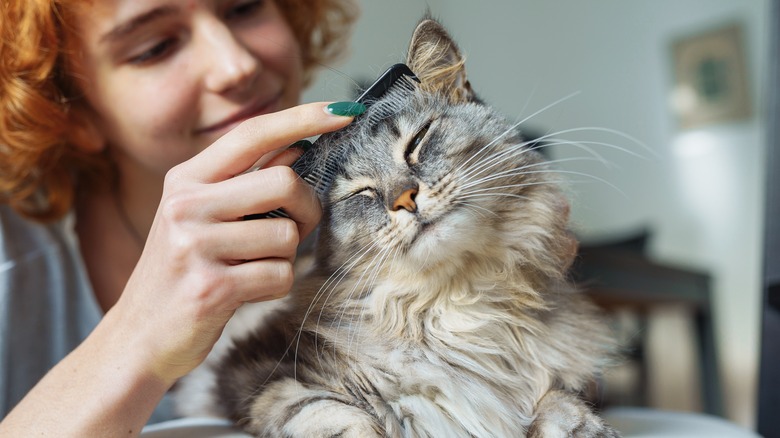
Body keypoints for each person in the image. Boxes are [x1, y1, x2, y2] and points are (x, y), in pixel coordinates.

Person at [0, 0, 363, 435]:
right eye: (155, 47)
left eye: (243, 7)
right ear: (72, 112)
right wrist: (138, 334)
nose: (237, 65)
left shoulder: (386, 223)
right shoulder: (11, 266)